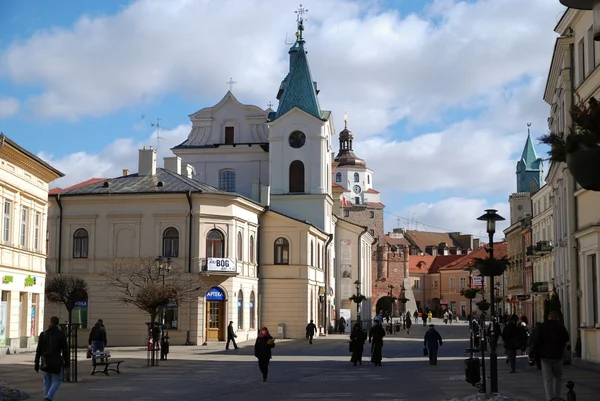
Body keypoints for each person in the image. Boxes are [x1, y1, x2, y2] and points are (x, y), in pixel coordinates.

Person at [535, 311, 570, 401]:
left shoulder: (542, 327)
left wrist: (535, 354)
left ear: (548, 317)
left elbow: (537, 341)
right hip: (557, 355)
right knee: (558, 377)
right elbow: (566, 338)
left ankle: (549, 398)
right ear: (557, 318)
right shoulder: (560, 327)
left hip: (545, 356)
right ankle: (557, 396)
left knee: (548, 378)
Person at [34, 316, 69, 401]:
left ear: (50, 323)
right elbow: (65, 349)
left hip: (45, 361)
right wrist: (66, 361)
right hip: (56, 361)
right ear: (57, 323)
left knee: (47, 382)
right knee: (57, 380)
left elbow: (38, 350)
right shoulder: (61, 334)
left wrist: (36, 362)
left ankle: (47, 397)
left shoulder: (44, 334)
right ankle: (48, 397)